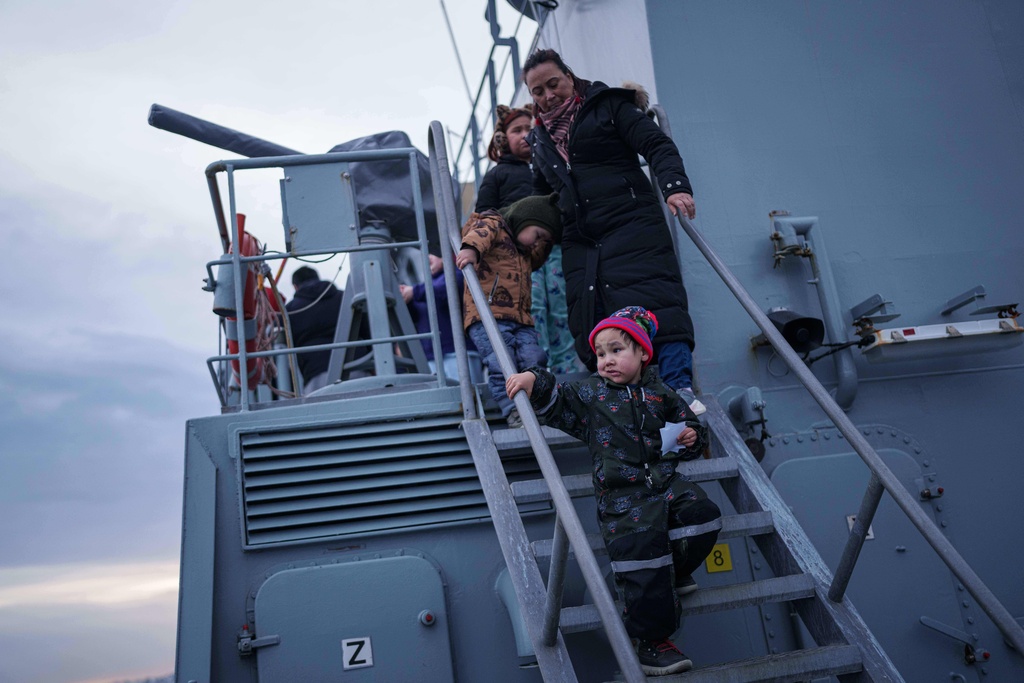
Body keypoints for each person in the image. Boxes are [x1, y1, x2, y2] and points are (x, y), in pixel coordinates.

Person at [505, 306, 721, 676]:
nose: (606, 360)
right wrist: (532, 380)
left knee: (705, 516)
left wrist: (690, 436)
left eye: (617, 350)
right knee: (642, 558)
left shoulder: (661, 393)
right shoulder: (593, 393)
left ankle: (677, 571)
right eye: (601, 353)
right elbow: (559, 397)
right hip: (624, 499)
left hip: (665, 484)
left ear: (642, 354)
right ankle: (651, 644)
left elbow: (688, 425)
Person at [523, 48, 705, 413]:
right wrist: (529, 229)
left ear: (570, 77)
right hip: (584, 242)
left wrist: (675, 187)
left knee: (659, 306)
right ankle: (624, 405)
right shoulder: (539, 141)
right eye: (537, 91)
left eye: (553, 84)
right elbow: (543, 196)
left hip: (632, 223)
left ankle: (678, 391)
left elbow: (655, 144)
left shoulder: (608, 106)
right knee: (597, 319)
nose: (547, 96)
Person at [477, 103, 586, 376]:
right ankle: (538, 370)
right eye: (517, 130)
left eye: (529, 128)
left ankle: (568, 367)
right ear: (503, 138)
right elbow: (484, 215)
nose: (524, 134)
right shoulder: (497, 174)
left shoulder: (549, 167)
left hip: (556, 250)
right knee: (532, 307)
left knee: (562, 306)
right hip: (519, 257)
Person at [455, 194, 560, 427]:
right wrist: (471, 249)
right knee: (502, 362)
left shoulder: (524, 252)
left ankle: (537, 406)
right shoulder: (495, 224)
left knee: (534, 358)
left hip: (520, 319)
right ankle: (514, 410)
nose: (538, 242)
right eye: (539, 235)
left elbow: (539, 258)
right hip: (487, 316)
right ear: (524, 219)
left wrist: (547, 241)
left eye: (545, 240)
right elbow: (480, 232)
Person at [399, 253, 482, 383]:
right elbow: (417, 316)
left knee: (469, 399)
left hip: (459, 354)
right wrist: (406, 301)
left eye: (433, 252)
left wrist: (413, 292)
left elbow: (446, 290)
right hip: (431, 357)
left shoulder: (460, 274)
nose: (427, 257)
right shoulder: (425, 287)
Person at [285, 266, 341, 394]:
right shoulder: (343, 297)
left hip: (316, 377)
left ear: (295, 286)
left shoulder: (290, 310)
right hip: (357, 369)